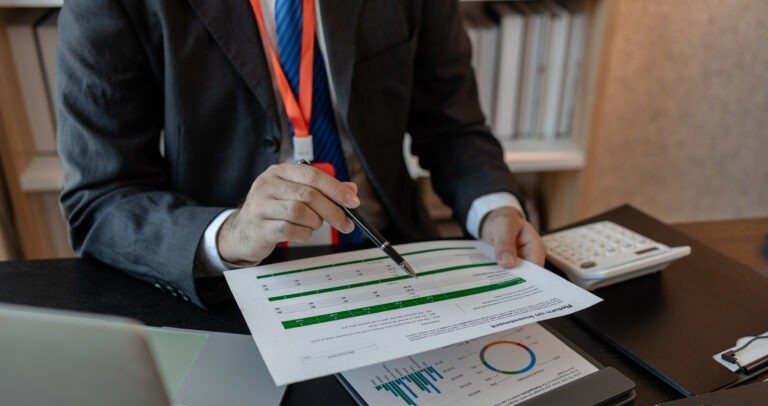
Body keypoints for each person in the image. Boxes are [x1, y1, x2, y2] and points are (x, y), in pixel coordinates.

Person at [57, 0, 545, 307]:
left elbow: (452, 124)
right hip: (228, 292)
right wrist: (230, 234)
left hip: (394, 261)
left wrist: (493, 208)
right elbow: (102, 199)